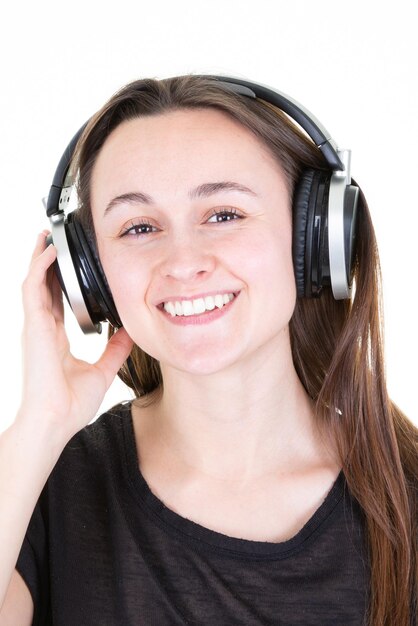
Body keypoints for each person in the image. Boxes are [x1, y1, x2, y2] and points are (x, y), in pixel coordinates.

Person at [0, 74, 416, 625]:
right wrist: (41, 422)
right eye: (139, 226)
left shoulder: (406, 496)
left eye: (224, 215)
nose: (182, 261)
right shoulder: (38, 487)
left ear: (313, 237)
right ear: (90, 274)